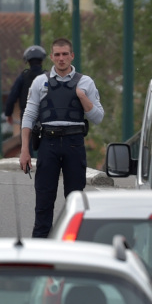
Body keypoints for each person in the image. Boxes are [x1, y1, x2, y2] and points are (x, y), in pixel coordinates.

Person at [19, 37, 105, 239]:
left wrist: (82, 97)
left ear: (72, 56)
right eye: (57, 54)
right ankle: (39, 248)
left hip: (74, 143)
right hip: (48, 143)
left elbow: (98, 117)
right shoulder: (41, 81)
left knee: (75, 200)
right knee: (44, 200)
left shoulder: (85, 82)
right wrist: (25, 151)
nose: (61, 58)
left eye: (65, 54)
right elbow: (29, 116)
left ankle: (74, 244)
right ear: (51, 57)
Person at [5, 45, 46, 127]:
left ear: (27, 61)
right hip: (45, 114)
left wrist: (8, 114)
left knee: (26, 138)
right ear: (42, 61)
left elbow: (12, 97)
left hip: (27, 114)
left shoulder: (22, 77)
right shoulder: (47, 76)